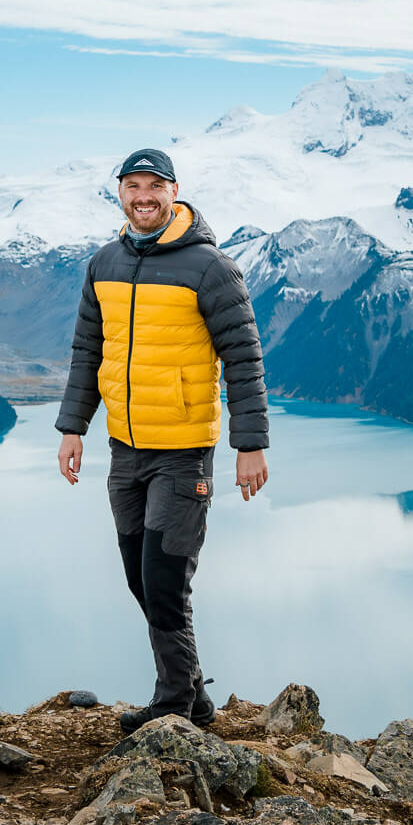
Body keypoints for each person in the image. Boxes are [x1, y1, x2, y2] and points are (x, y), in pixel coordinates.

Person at [56, 146, 270, 734]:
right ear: (119, 193)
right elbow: (87, 353)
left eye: (155, 186)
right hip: (125, 451)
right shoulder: (103, 264)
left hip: (183, 453)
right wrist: (73, 428)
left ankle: (174, 706)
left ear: (174, 192)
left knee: (165, 579)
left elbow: (243, 359)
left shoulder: (210, 267)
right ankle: (195, 700)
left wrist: (249, 444)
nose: (143, 196)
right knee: (138, 576)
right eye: (133, 186)